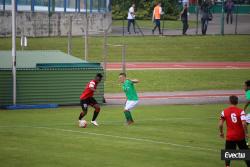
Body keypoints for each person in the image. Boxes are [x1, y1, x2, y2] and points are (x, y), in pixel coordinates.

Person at [218, 95, 250, 167]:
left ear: (229, 102)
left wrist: (221, 132)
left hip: (230, 136)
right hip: (240, 136)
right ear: (237, 102)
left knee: (228, 153)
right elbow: (244, 124)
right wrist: (246, 133)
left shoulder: (224, 112)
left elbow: (220, 124)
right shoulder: (241, 111)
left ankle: (227, 166)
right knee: (245, 153)